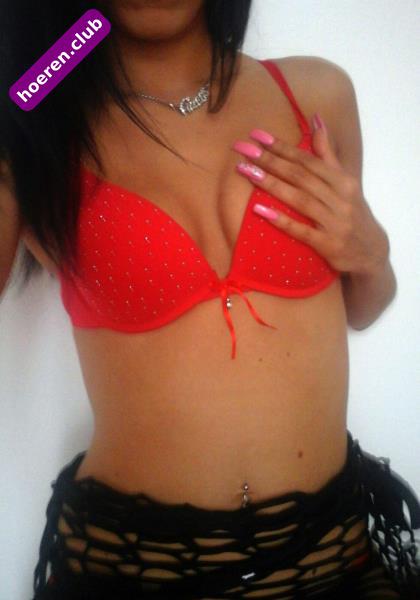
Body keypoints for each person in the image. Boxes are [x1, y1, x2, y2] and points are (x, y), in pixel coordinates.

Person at [1, 1, 419, 598]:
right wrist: (35, 81)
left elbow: (363, 307)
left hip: (334, 555)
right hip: (132, 570)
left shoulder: (316, 94)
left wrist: (373, 255)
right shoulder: (38, 137)